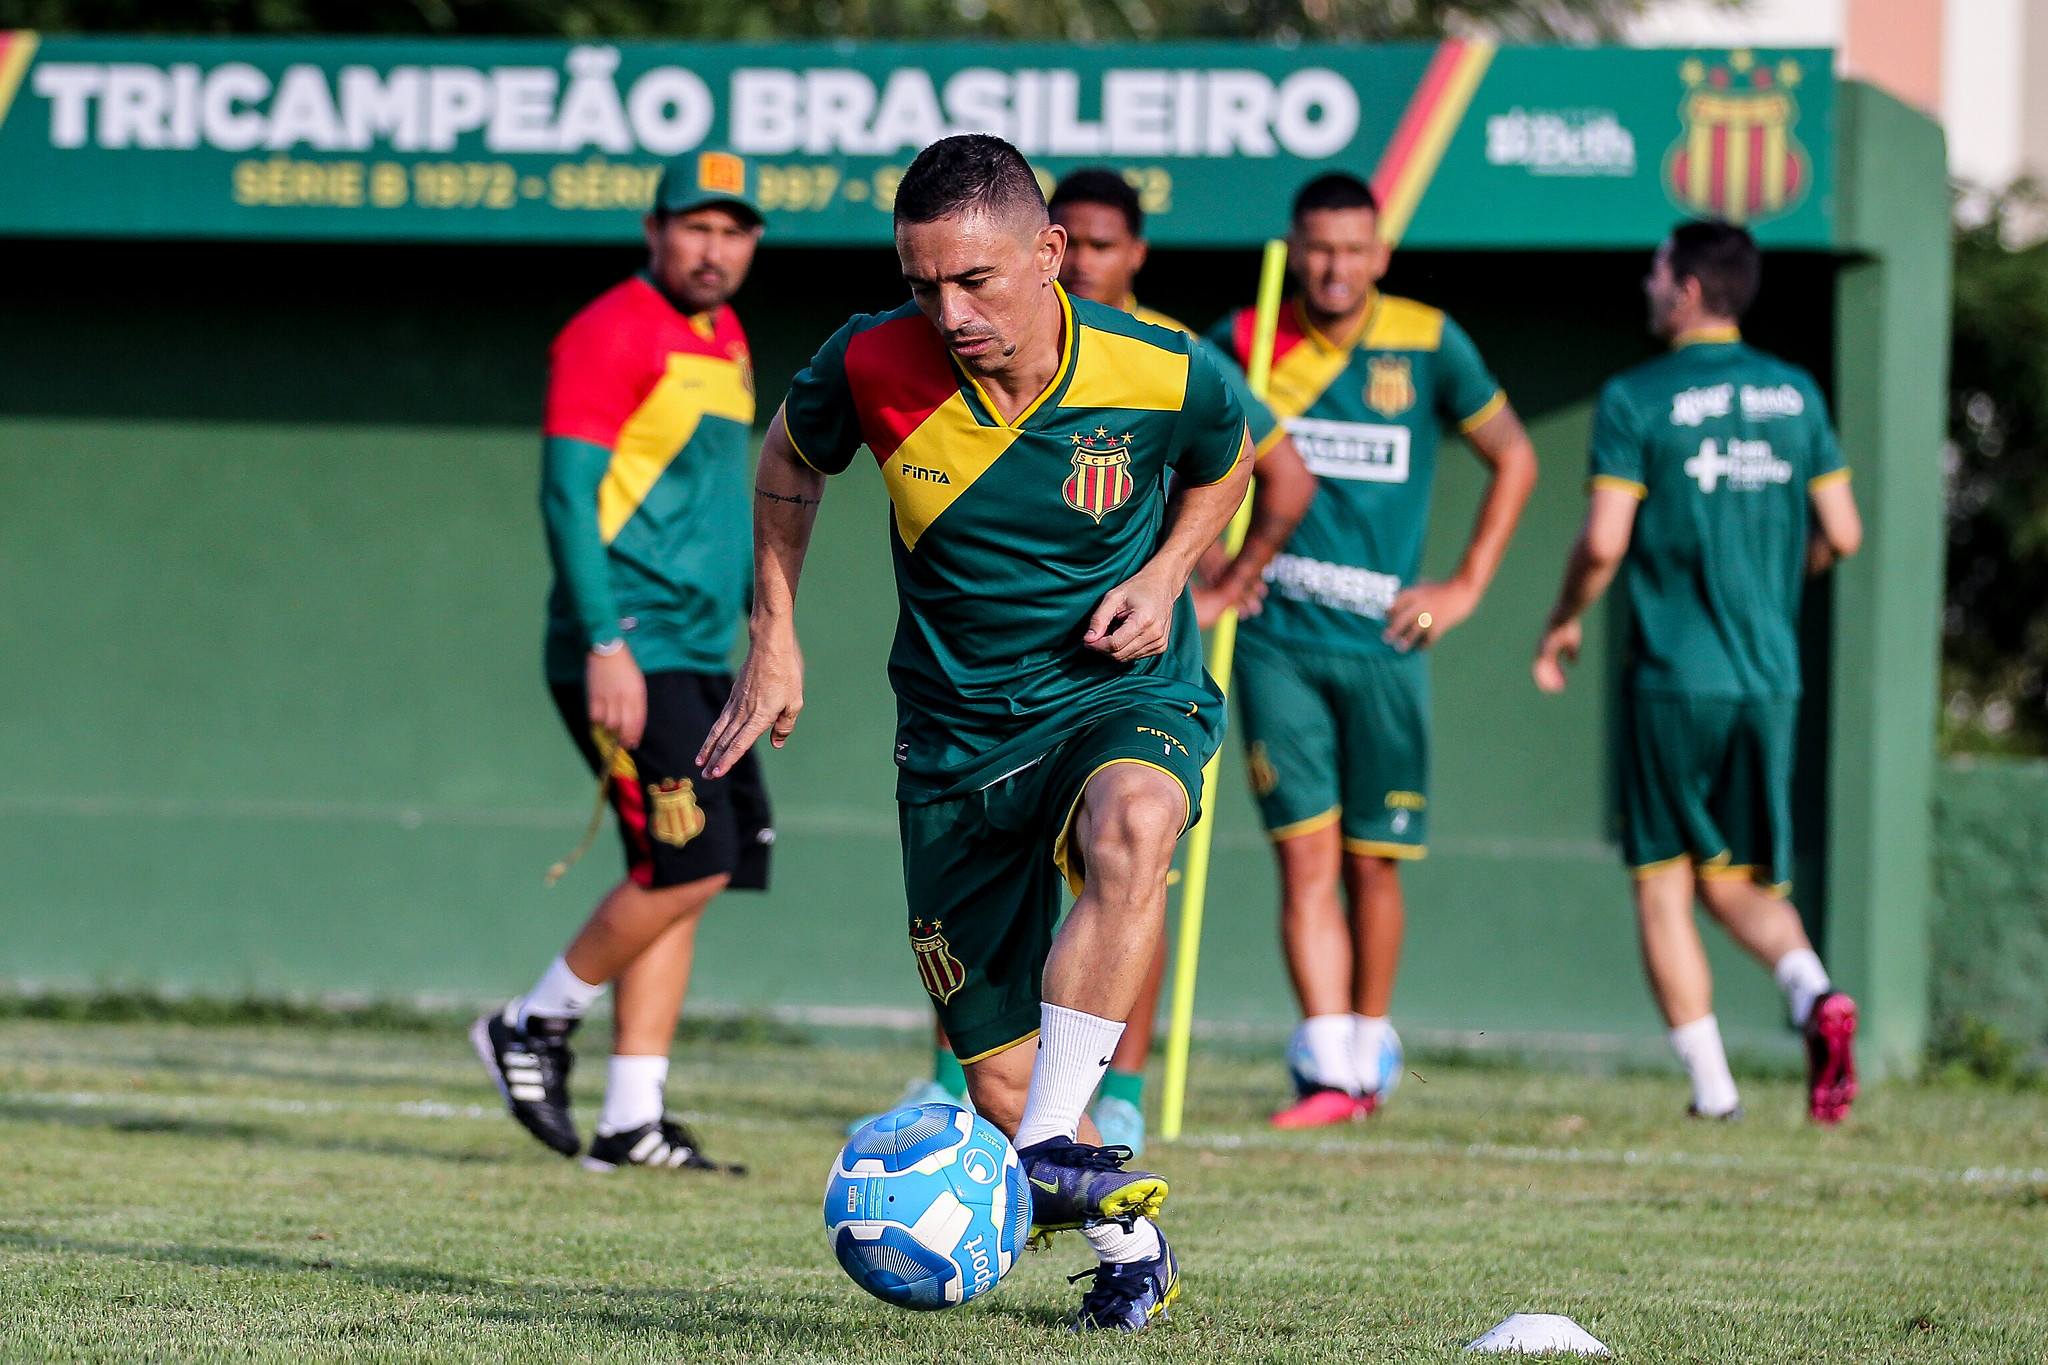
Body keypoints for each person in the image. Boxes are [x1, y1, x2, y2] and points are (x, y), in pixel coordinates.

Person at [699, 134, 1256, 1331]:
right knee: (999, 1077)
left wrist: (1165, 577)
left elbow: (1228, 461)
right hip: (952, 739)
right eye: (920, 283)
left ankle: (1055, 1141)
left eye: (975, 281)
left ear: (1051, 255)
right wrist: (775, 633)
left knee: (1136, 822)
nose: (947, 312)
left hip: (1114, 694)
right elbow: (790, 463)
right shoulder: (864, 362)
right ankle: (1128, 1243)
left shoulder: (1162, 369)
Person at [1211, 173, 1539, 1128]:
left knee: (1373, 862)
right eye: (1319, 247)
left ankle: (1368, 1049)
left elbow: (1515, 455)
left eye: (1354, 249)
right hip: (1278, 642)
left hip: (1388, 643)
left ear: (1381, 254)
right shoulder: (1248, 335)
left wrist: (1467, 585)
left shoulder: (1431, 340)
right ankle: (1324, 1068)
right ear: (1293, 246)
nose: (1335, 267)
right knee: (1304, 862)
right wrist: (1226, 564)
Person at [471, 153, 771, 1173]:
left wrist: (766, 643)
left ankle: (628, 1118)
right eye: (695, 226)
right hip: (628, 645)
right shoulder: (609, 330)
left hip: (702, 649)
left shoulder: (724, 336)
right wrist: (603, 642)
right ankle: (531, 1023)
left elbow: (724, 505)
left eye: (733, 230)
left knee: (692, 870)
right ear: (654, 231)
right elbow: (566, 496)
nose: (712, 247)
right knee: (689, 862)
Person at [1533, 219, 1864, 1124]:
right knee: (1733, 877)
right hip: (1770, 677)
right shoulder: (1796, 393)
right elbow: (1842, 533)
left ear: (1684, 289)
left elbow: (1605, 540)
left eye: (1655, 271)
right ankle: (1813, 992)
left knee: (1663, 881)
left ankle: (1714, 1091)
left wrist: (1562, 619)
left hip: (1676, 676)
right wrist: (1767, 582)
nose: (1647, 284)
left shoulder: (1637, 396)